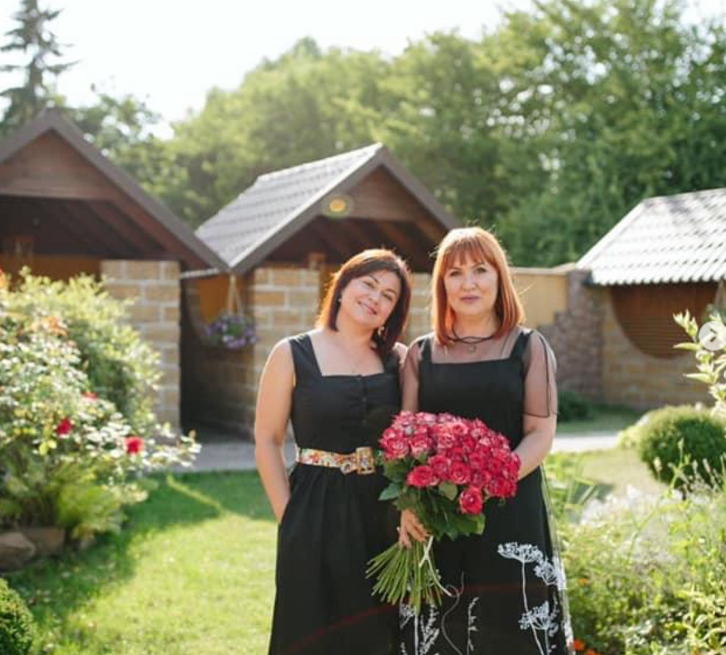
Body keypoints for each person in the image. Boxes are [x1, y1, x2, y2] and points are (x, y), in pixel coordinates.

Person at [397, 227, 574, 655]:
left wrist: (487, 481)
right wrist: (407, 505)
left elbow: (540, 434)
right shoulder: (421, 354)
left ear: (500, 278)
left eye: (480, 270)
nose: (468, 283)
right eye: (455, 273)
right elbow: (406, 439)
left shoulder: (529, 347)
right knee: (443, 629)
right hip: (438, 515)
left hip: (512, 509)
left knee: (509, 629)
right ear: (442, 284)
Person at [256, 249, 411, 655]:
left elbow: (413, 437)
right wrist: (289, 517)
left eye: (389, 295)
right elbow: (268, 439)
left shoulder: (399, 359)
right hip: (314, 506)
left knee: (377, 631)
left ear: (393, 310)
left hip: (382, 509)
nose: (375, 298)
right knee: (309, 625)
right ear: (342, 286)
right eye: (369, 284)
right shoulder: (291, 353)